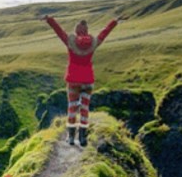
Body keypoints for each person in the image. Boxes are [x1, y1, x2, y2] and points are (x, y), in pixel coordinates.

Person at [42, 14, 122, 146]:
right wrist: (114, 21)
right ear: (86, 31)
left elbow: (59, 31)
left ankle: (71, 137)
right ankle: (83, 137)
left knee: (72, 108)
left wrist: (50, 20)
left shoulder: (70, 41)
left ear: (77, 31)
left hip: (73, 80)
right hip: (88, 81)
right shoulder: (93, 43)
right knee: (85, 108)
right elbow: (104, 34)